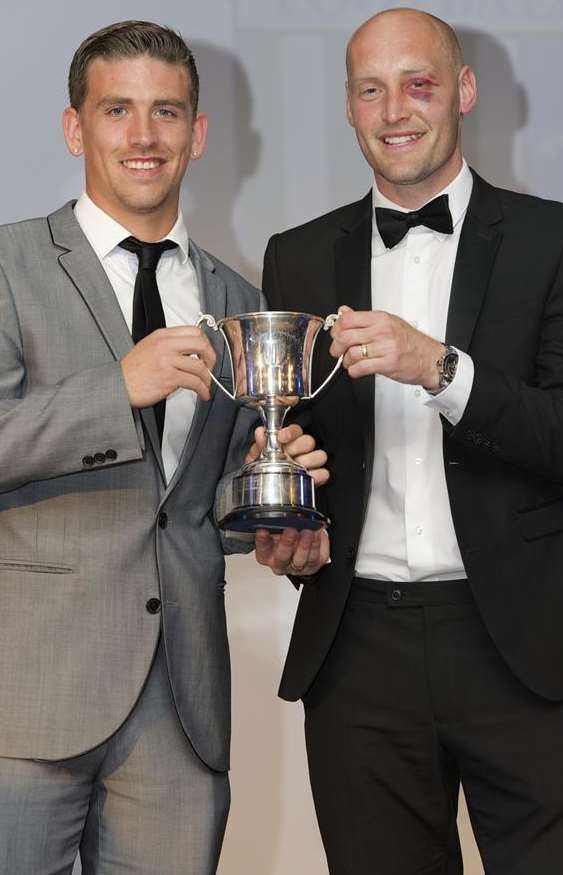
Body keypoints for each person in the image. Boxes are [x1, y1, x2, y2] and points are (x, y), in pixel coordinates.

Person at [0, 20, 327, 875]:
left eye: (167, 112)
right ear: (77, 127)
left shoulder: (237, 296)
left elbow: (191, 502)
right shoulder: (6, 265)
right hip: (25, 704)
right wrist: (120, 384)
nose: (144, 137)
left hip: (182, 709)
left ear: (198, 133)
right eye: (118, 110)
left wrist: (272, 514)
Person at [260, 7, 563, 874]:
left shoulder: (559, 239)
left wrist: (441, 369)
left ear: (464, 92)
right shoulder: (295, 254)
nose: (395, 109)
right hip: (358, 646)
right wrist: (290, 523)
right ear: (349, 107)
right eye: (371, 89)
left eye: (419, 84)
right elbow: (285, 440)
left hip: (524, 642)